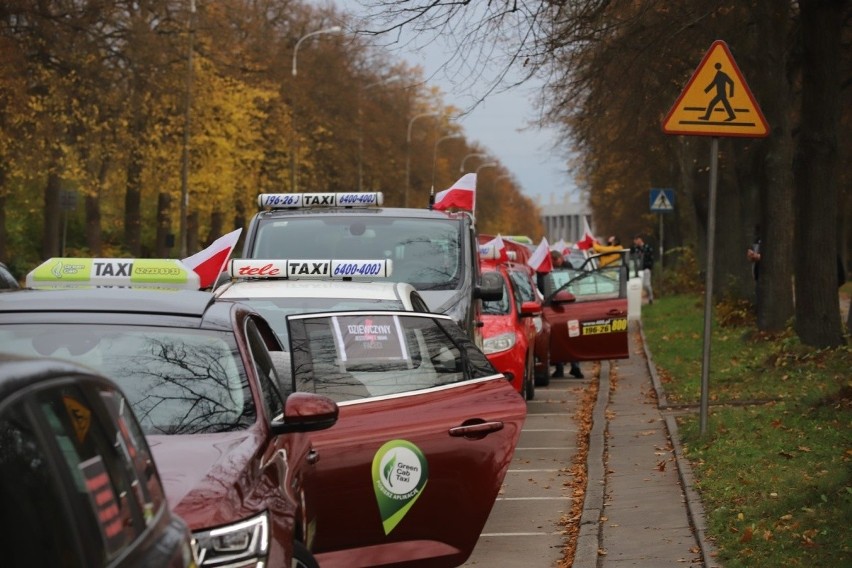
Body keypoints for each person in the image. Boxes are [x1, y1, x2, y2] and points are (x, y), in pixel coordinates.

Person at [539, 250, 583, 379]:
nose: (557, 263)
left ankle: (575, 367)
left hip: (568, 305)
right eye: (554, 261)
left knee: (572, 335)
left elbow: (574, 284)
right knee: (558, 337)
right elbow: (543, 288)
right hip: (554, 306)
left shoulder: (567, 267)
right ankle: (560, 368)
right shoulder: (545, 270)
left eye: (557, 260)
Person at [630, 235, 654, 304]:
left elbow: (651, 257)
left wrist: (650, 267)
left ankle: (650, 297)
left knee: (646, 284)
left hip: (646, 268)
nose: (635, 242)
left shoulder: (647, 248)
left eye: (636, 240)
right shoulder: (635, 249)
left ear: (640, 240)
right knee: (640, 285)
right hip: (638, 269)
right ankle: (639, 300)